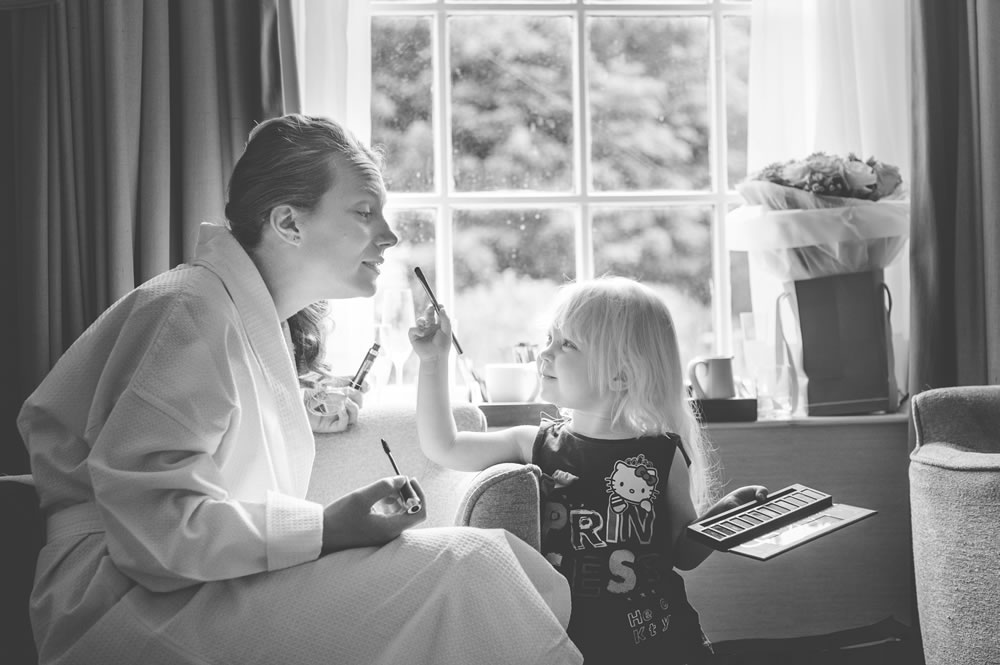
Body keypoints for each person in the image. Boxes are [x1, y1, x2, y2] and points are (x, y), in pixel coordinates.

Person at [18, 114, 581, 665]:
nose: (388, 235)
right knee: (472, 569)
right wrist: (331, 528)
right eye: (365, 211)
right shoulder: (188, 309)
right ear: (288, 222)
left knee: (525, 575)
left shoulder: (240, 321)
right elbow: (155, 531)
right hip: (123, 600)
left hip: (194, 580)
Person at [410, 276, 767, 664]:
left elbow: (682, 553)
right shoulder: (532, 444)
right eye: (549, 339)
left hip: (663, 642)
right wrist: (433, 362)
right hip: (570, 648)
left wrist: (724, 516)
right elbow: (442, 446)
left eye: (567, 344)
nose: (544, 354)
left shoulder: (663, 454)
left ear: (620, 375)